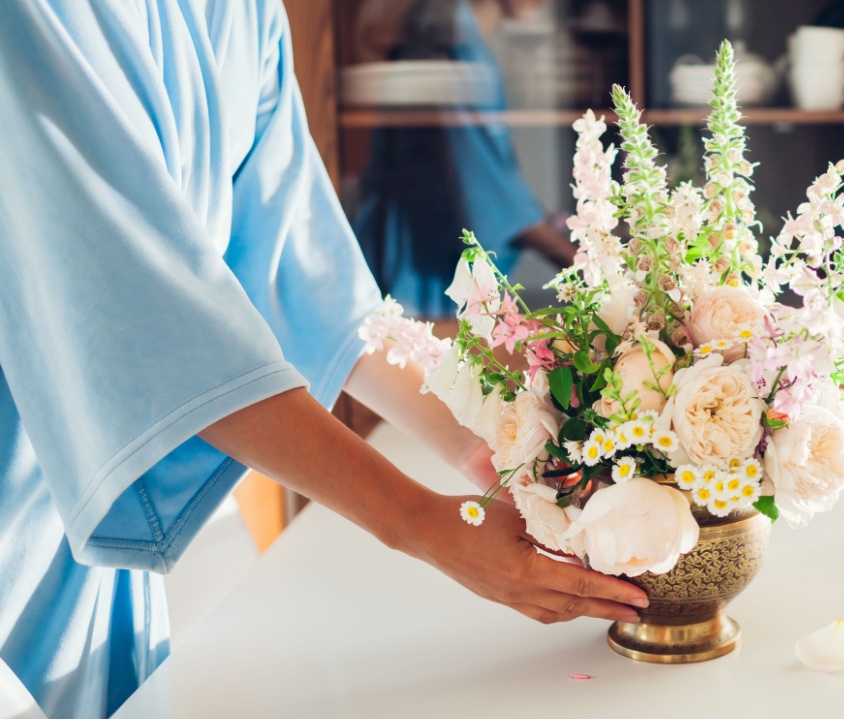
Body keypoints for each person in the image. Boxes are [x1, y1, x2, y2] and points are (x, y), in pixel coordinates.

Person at [0, 1, 645, 717]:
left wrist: (497, 444)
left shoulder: (242, 12)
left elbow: (308, 283)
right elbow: (159, 324)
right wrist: (428, 526)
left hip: (137, 465)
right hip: (32, 493)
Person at [351, 0, 578, 318]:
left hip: (417, 240)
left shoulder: (467, 41)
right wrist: (581, 263)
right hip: (418, 253)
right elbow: (488, 190)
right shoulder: (451, 42)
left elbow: (496, 179)